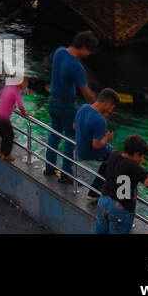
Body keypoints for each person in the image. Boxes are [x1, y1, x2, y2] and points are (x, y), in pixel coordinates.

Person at [42, 31, 98, 183]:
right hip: (67, 106)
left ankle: (49, 167)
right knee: (70, 139)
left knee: (54, 134)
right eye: (89, 51)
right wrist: (97, 106)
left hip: (52, 101)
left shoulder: (59, 51)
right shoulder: (76, 66)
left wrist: (59, 72)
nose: (88, 54)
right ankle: (66, 175)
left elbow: (46, 62)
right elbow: (85, 91)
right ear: (84, 46)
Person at [94, 134, 148, 234]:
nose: (142, 160)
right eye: (142, 157)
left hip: (104, 201)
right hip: (120, 208)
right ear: (135, 154)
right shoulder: (133, 166)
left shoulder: (114, 154)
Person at [74, 88, 118, 196]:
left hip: (80, 148)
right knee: (118, 159)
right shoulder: (100, 120)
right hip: (90, 152)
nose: (111, 110)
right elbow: (96, 144)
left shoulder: (83, 108)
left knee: (111, 158)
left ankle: (95, 191)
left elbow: (75, 126)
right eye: (112, 107)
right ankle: (95, 193)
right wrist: (107, 138)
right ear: (107, 104)